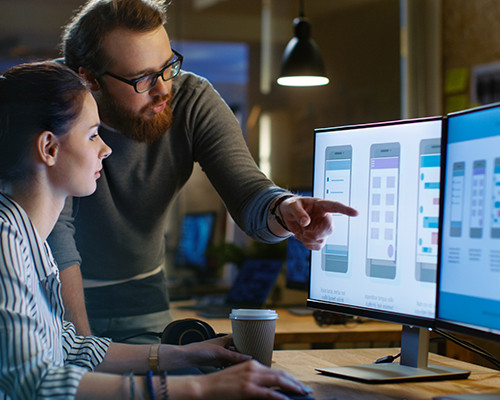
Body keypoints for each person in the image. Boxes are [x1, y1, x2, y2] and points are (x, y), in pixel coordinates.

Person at [0, 60, 313, 400]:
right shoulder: (6, 241)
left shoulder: (31, 242)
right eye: (92, 135)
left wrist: (189, 354)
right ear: (49, 148)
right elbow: (33, 383)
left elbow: (73, 349)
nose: (105, 149)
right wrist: (200, 387)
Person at [48, 0, 358, 341]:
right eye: (143, 78)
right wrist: (82, 351)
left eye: (168, 67)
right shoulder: (47, 102)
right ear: (89, 78)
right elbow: (58, 239)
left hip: (143, 294)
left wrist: (284, 211)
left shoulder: (192, 99)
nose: (163, 88)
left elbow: (248, 191)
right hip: (53, 293)